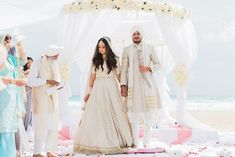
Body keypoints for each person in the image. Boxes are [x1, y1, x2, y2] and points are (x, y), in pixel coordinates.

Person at [74, 37, 133, 155]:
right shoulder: (95, 60)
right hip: (98, 89)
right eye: (99, 47)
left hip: (111, 88)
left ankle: (116, 138)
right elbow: (91, 80)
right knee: (99, 114)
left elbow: (119, 76)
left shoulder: (115, 59)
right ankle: (99, 140)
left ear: (108, 47)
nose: (100, 49)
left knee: (115, 112)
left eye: (103, 47)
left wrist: (123, 86)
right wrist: (88, 93)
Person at [120, 26, 161, 148]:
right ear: (131, 36)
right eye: (134, 34)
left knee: (149, 115)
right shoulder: (127, 50)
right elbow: (123, 69)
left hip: (147, 85)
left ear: (141, 35)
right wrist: (123, 85)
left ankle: (146, 142)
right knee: (134, 116)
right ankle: (135, 141)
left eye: (138, 33)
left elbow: (158, 64)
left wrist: (148, 68)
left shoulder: (149, 47)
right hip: (133, 86)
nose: (136, 36)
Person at [28, 45, 63, 157]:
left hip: (52, 99)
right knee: (40, 125)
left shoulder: (54, 64)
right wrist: (47, 81)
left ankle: (49, 151)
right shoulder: (37, 63)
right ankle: (37, 152)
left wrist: (58, 85)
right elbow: (31, 81)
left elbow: (56, 80)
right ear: (50, 53)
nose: (58, 56)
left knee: (52, 126)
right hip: (40, 100)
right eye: (56, 53)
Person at [0, 32, 26, 157]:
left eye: (9, 39)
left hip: (12, 97)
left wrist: (21, 45)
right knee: (3, 126)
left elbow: (23, 61)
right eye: (6, 39)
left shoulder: (10, 58)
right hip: (3, 95)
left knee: (10, 126)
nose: (8, 41)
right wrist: (14, 81)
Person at [23, 57, 34, 132]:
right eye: (28, 62)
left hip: (32, 92)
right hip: (26, 91)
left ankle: (29, 126)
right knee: (27, 109)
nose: (29, 64)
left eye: (31, 62)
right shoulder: (25, 71)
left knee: (30, 110)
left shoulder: (34, 71)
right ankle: (26, 126)